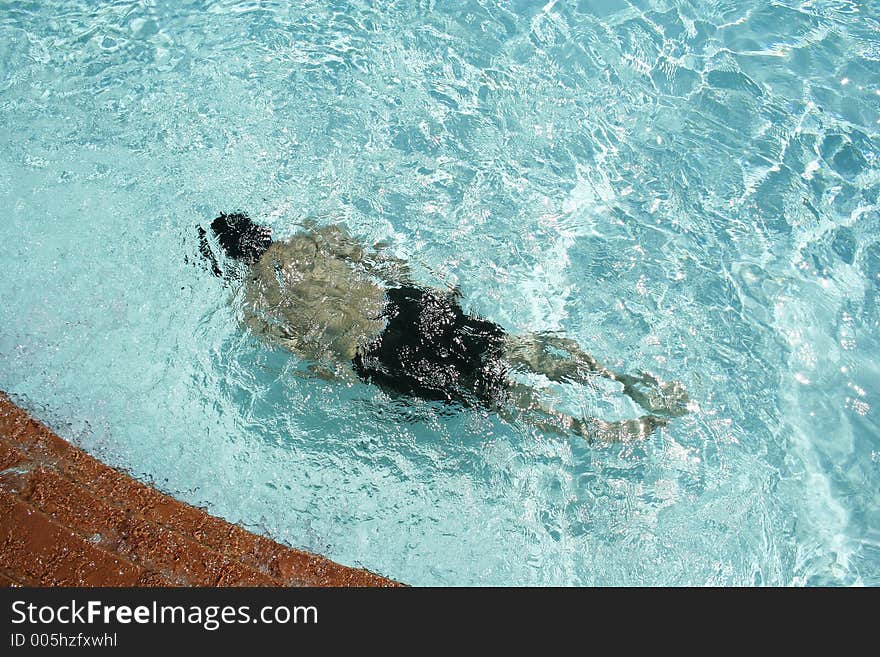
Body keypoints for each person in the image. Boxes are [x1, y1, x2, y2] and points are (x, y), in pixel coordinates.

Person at [199, 213, 689, 443]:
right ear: (263, 230)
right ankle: (620, 380)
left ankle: (588, 429)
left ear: (236, 258)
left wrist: (345, 375)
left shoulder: (255, 300)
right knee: (513, 348)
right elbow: (382, 262)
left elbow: (308, 354)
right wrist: (432, 296)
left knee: (490, 393)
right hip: (403, 307)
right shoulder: (312, 239)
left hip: (371, 349)